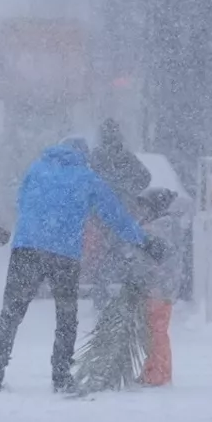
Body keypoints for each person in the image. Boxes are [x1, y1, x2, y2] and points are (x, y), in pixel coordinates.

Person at [0, 137, 165, 394]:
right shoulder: (86, 176)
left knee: (10, 313)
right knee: (66, 316)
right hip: (64, 253)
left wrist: (37, 228)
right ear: (82, 155)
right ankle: (61, 376)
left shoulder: (36, 168)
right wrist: (143, 241)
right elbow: (114, 215)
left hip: (26, 248)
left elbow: (21, 201)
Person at [87, 119, 151, 310]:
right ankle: (127, 294)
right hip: (122, 210)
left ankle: (101, 293)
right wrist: (128, 190)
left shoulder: (96, 157)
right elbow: (145, 177)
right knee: (122, 250)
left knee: (102, 251)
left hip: (100, 212)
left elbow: (88, 180)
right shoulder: (125, 156)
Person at [134, 189, 187, 387]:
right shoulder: (169, 226)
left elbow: (148, 260)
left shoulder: (156, 229)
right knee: (154, 331)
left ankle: (158, 373)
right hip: (162, 287)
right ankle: (154, 370)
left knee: (155, 331)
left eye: (146, 206)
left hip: (157, 288)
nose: (142, 210)